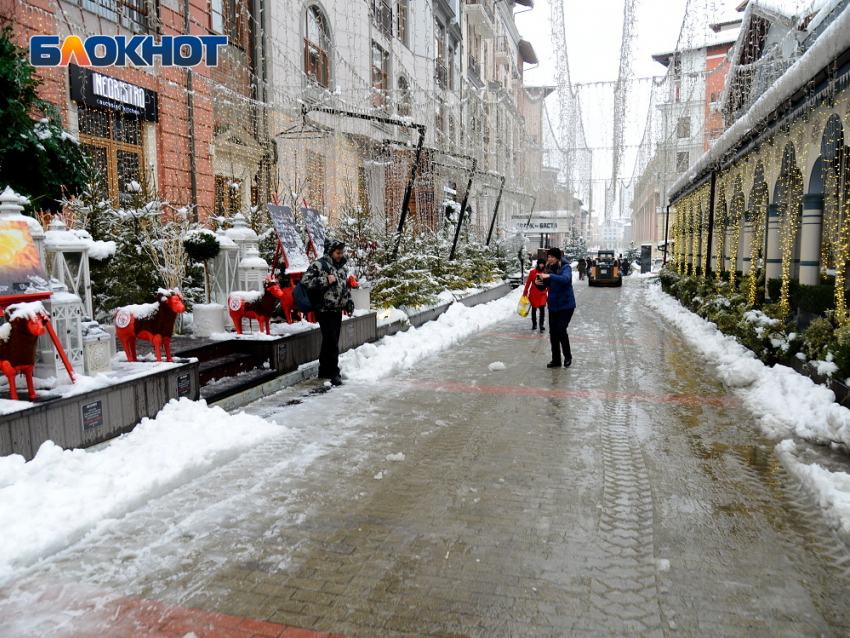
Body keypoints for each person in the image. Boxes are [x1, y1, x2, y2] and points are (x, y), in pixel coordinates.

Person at [300, 237, 354, 386]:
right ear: (330, 252)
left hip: (336, 310)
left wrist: (348, 302)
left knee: (330, 341)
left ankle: (324, 370)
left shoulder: (340, 268)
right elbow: (305, 282)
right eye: (338, 252)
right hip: (324, 309)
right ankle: (333, 373)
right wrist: (325, 280)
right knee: (332, 342)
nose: (340, 255)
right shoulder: (319, 265)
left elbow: (344, 287)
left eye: (341, 252)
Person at [537, 246, 576, 368]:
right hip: (553, 305)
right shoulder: (548, 269)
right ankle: (556, 360)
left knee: (560, 330)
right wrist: (537, 284)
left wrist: (549, 276)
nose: (550, 259)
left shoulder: (566, 267)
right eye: (548, 257)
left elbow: (565, 279)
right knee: (553, 333)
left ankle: (568, 356)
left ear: (558, 257)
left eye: (552, 257)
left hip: (566, 304)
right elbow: (544, 286)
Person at [522, 258, 548, 331]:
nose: (541, 265)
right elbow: (528, 283)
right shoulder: (532, 272)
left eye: (543, 264)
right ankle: (534, 324)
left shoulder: (546, 273)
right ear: (538, 264)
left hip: (543, 293)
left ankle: (541, 325)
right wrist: (525, 292)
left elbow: (548, 283)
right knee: (534, 309)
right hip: (534, 293)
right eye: (540, 264)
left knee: (542, 308)